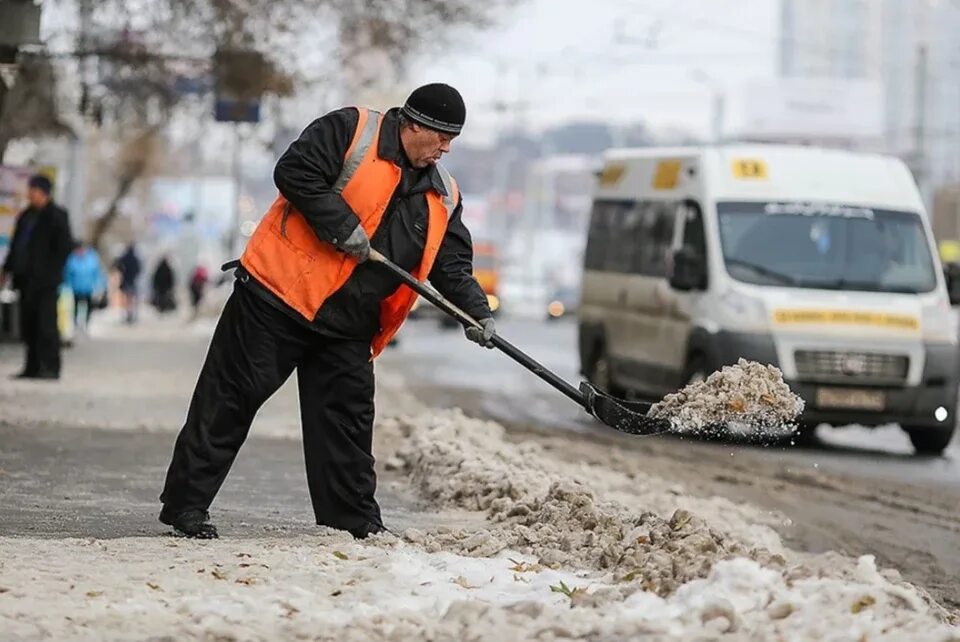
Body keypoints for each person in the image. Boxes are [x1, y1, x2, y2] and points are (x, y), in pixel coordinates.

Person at [159, 83, 495, 539]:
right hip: (275, 300)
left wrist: (475, 312)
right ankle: (185, 506)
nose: (445, 148)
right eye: (439, 136)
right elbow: (295, 171)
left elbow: (450, 266)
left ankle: (355, 524)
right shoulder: (351, 131)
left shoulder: (444, 196)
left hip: (349, 327)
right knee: (228, 402)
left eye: (451, 140)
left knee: (348, 429)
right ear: (413, 123)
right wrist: (341, 225)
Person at [0, 174, 73, 379]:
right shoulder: (25, 216)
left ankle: (50, 367)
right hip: (25, 279)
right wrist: (7, 270)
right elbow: (16, 246)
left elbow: (64, 247)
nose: (29, 194)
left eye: (33, 190)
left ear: (43, 192)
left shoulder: (57, 216)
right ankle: (32, 367)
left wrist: (51, 271)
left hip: (46, 282)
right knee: (29, 324)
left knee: (46, 325)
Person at [63, 241, 107, 334]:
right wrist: (67, 286)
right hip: (76, 288)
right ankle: (75, 324)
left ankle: (86, 324)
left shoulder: (92, 259)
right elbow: (68, 274)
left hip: (88, 288)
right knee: (75, 307)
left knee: (88, 307)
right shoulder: (72, 259)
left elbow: (97, 274)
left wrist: (99, 285)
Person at [114, 243, 142, 324]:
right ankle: (131, 315)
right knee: (132, 299)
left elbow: (117, 265)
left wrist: (122, 272)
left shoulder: (124, 258)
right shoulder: (135, 259)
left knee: (126, 299)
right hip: (132, 281)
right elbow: (139, 269)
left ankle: (126, 315)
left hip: (125, 281)